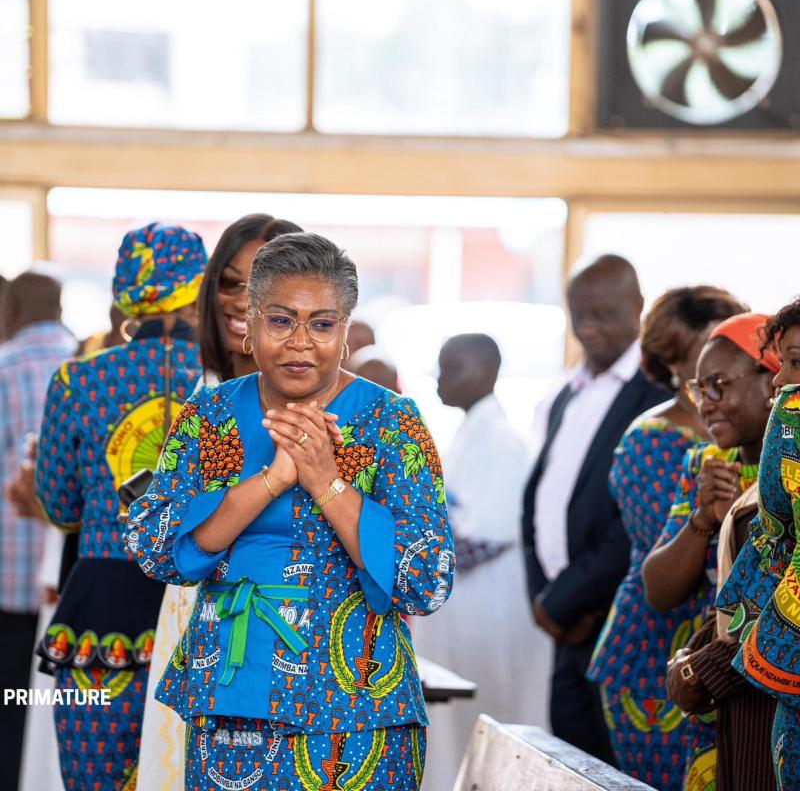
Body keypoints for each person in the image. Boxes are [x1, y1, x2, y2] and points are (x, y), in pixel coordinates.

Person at [128, 232, 454, 790]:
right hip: (233, 702)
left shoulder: (392, 423)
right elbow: (156, 547)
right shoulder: (211, 416)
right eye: (281, 321)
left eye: (323, 324)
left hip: (360, 711)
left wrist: (326, 481)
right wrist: (273, 478)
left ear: (346, 333)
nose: (301, 342)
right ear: (250, 327)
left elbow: (426, 580)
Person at [35, 223, 207, 790]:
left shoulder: (77, 381)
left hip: (101, 620)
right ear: (198, 290)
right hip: (201, 608)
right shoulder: (226, 385)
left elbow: (60, 505)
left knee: (97, 775)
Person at [138, 213, 302, 791]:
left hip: (292, 648)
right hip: (190, 621)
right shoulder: (197, 403)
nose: (243, 299)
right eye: (231, 283)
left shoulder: (335, 403)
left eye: (264, 282)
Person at [586, 287, 747, 790]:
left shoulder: (755, 437)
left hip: (721, 652)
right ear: (673, 364)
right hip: (654, 653)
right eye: (704, 355)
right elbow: (681, 564)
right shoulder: (652, 439)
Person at [521, 254, 669, 763]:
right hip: (563, 623)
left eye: (603, 313)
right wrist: (544, 599)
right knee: (568, 762)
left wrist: (565, 602)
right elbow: (536, 503)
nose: (588, 327)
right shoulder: (568, 391)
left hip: (616, 620)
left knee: (616, 766)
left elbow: (637, 521)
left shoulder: (657, 392)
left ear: (638, 307)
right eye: (578, 314)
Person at [641, 312, 777, 789]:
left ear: (774, 380)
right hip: (703, 686)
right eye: (700, 389)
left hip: (756, 682)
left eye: (720, 384)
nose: (706, 405)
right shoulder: (707, 463)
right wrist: (701, 519)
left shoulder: (787, 477)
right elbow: (657, 589)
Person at [413, 333, 546, 790]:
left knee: (484, 712)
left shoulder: (501, 443)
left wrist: (415, 539)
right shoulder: (470, 434)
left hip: (490, 607)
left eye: (449, 368)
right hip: (463, 607)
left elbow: (481, 535)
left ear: (485, 372)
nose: (437, 379)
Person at [714, 299, 800, 788]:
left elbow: (775, 544)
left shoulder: (790, 424)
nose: (780, 380)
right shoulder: (716, 469)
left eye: (796, 362)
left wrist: (706, 666)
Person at [0, 271, 77, 791]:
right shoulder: (87, 366)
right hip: (68, 577)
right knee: (54, 706)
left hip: (8, 579)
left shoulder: (3, 369)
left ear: (11, 312)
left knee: (8, 706)